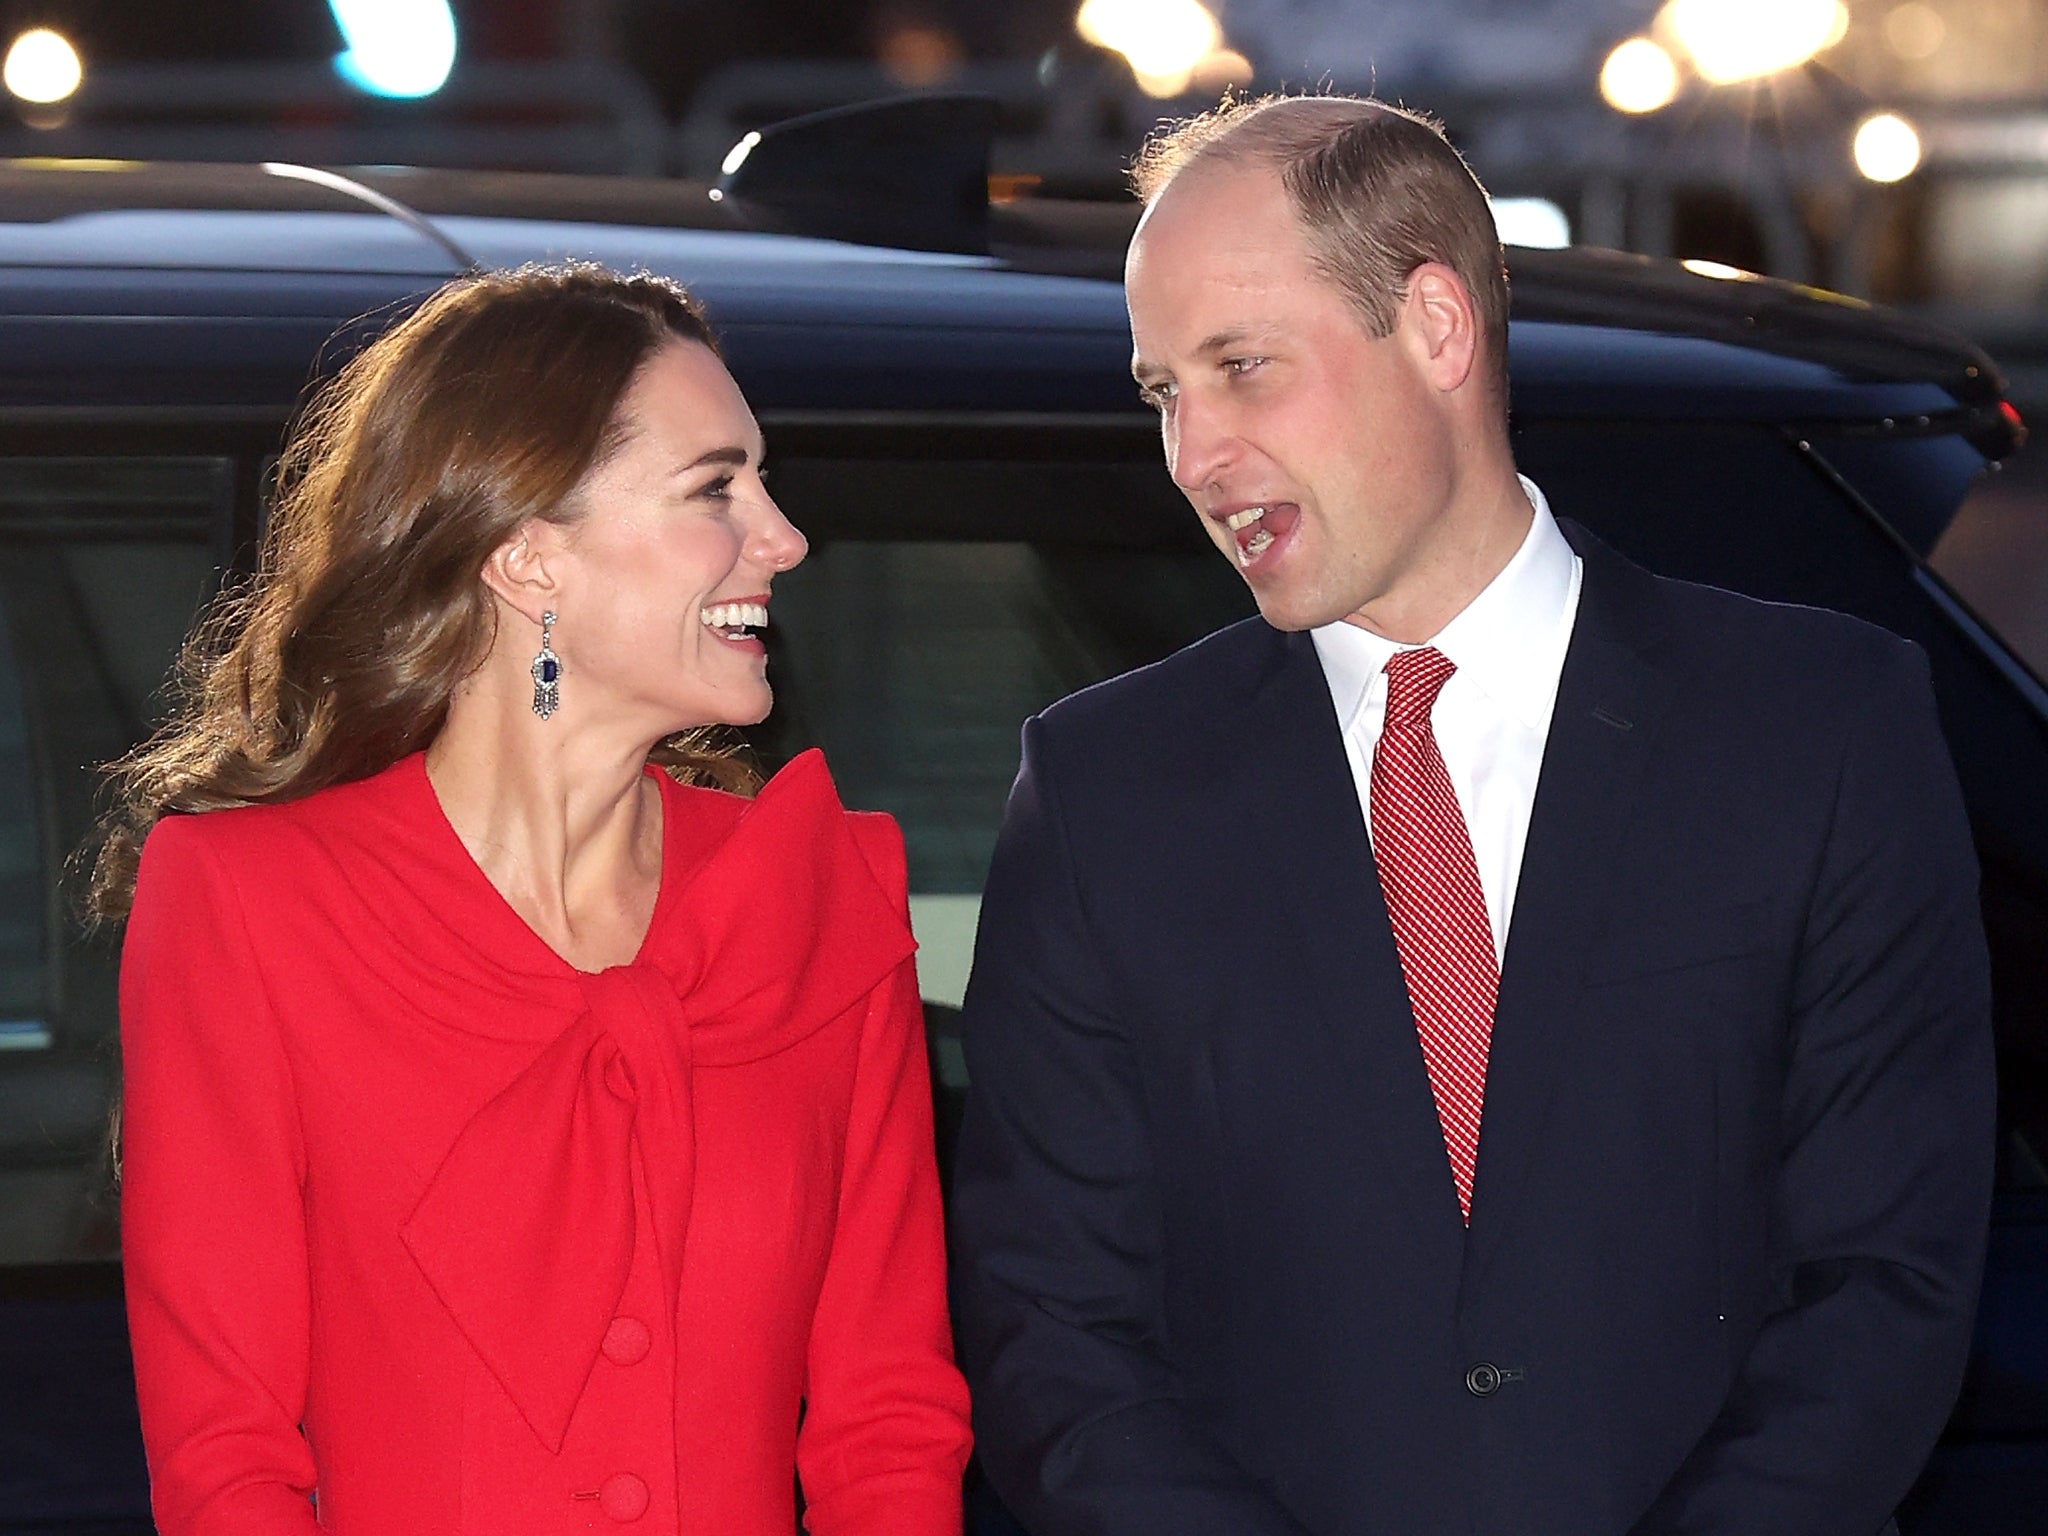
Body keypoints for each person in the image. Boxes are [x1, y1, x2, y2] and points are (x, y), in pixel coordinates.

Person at [950, 95, 1994, 1536]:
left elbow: (1887, 1284)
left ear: (1437, 326)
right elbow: (1053, 1340)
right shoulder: (1104, 789)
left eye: (1241, 369)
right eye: (1163, 393)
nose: (1194, 454)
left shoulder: (1817, 730)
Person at [97, 264, 971, 1536]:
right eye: (716, 487)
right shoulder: (250, 905)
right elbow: (225, 1456)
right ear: (524, 555)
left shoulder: (821, 899)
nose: (781, 538)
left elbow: (887, 1419)